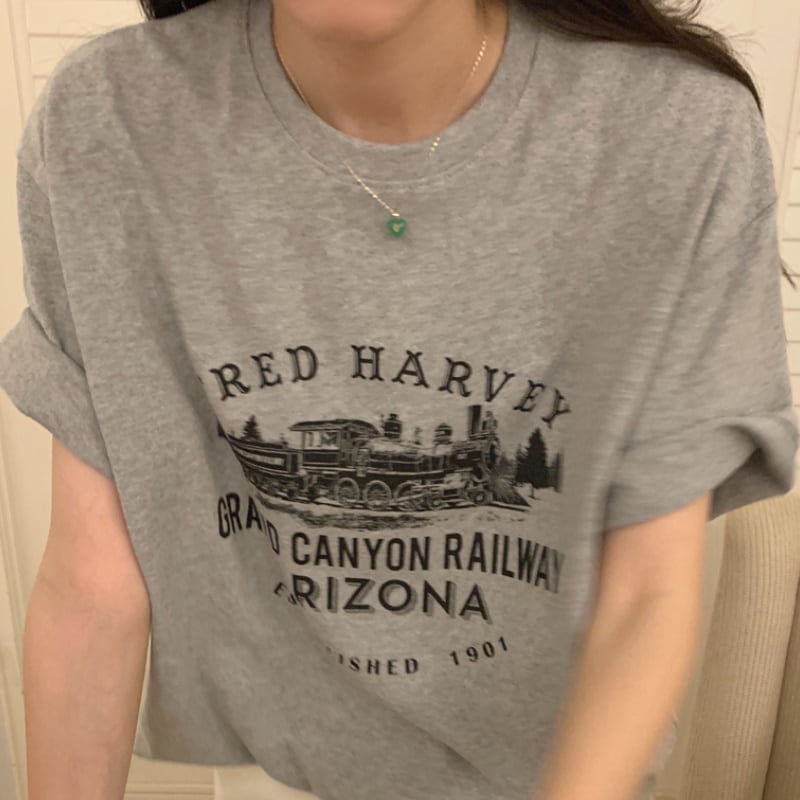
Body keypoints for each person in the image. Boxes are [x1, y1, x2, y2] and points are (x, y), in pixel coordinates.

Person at [0, 1, 797, 800]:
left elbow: (645, 595)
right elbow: (92, 585)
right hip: (267, 772)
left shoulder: (679, 135)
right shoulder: (110, 120)